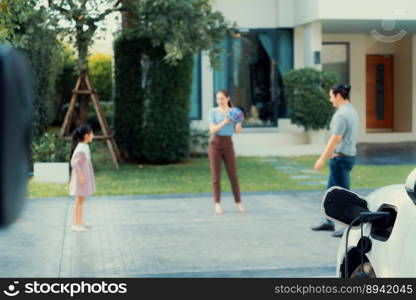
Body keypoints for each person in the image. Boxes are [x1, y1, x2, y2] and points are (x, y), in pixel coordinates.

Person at [311, 84, 358, 237]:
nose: (330, 100)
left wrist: (321, 159)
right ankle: (328, 222)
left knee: (344, 195)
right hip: (347, 158)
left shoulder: (341, 115)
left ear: (338, 95)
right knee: (330, 192)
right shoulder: (351, 111)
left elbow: (335, 138)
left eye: (331, 96)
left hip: (341, 159)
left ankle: (349, 227)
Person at [208, 89, 246, 215]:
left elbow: (238, 131)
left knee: (233, 175)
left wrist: (239, 122)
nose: (219, 101)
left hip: (228, 144)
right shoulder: (212, 112)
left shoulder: (234, 112)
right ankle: (217, 204)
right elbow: (212, 130)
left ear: (228, 98)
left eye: (222, 98)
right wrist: (225, 121)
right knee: (215, 177)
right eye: (217, 99)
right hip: (215, 145)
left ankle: (239, 202)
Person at [69, 124, 96, 232]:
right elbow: (74, 163)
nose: (93, 136)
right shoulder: (81, 148)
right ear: (86, 135)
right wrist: (80, 175)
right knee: (79, 200)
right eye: (92, 133)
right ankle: (76, 223)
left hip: (84, 176)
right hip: (80, 178)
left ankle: (80, 221)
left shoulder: (84, 146)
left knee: (81, 199)